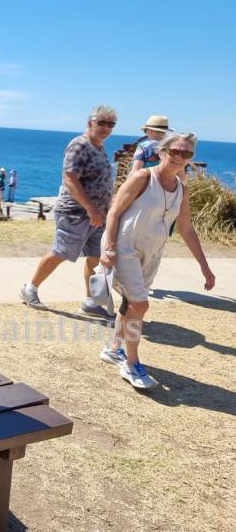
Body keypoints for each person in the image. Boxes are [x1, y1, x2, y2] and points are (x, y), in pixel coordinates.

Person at [98, 133, 215, 390]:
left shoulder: (182, 189)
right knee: (140, 305)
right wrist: (109, 248)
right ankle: (132, 364)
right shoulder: (143, 177)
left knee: (130, 303)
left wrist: (205, 267)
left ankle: (113, 349)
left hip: (151, 253)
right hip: (124, 247)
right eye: (175, 151)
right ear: (162, 152)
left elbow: (187, 229)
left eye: (186, 154)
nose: (179, 157)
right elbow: (114, 211)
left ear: (191, 158)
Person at [19, 105, 118, 318]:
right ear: (89, 123)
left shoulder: (99, 147)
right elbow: (70, 178)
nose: (106, 128)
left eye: (111, 124)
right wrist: (90, 208)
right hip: (75, 213)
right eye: (101, 123)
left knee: (95, 256)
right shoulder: (79, 145)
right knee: (61, 252)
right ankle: (30, 289)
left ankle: (90, 301)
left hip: (98, 215)